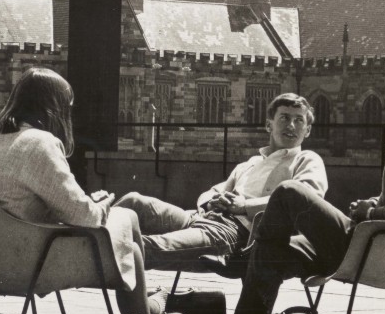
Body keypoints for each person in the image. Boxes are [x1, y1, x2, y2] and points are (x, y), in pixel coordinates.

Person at [227, 70, 385, 314]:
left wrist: (371, 211)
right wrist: (373, 203)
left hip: (372, 249)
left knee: (289, 192)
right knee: (269, 253)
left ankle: (243, 264)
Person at [0, 67, 164, 314]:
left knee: (128, 237)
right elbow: (84, 218)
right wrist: (100, 205)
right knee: (130, 236)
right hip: (28, 261)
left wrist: (83, 204)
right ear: (54, 109)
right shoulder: (39, 142)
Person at [114, 94, 326, 270]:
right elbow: (213, 191)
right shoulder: (250, 163)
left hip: (235, 233)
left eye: (299, 120)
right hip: (201, 217)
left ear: (307, 130)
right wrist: (213, 200)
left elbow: (306, 198)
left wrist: (244, 206)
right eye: (284, 118)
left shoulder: (307, 159)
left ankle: (95, 257)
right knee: (134, 202)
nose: (291, 125)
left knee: (146, 247)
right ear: (269, 125)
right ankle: (86, 237)